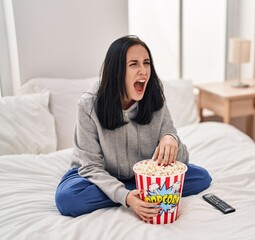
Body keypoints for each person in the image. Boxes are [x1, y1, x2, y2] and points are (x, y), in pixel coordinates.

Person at [55, 35, 212, 221]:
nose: (143, 71)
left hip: (145, 176)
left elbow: (183, 160)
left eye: (146, 63)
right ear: (116, 71)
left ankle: (141, 191)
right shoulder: (88, 105)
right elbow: (90, 167)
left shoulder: (154, 95)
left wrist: (171, 138)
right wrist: (126, 197)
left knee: (201, 177)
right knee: (68, 199)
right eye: (134, 64)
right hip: (97, 176)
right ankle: (143, 193)